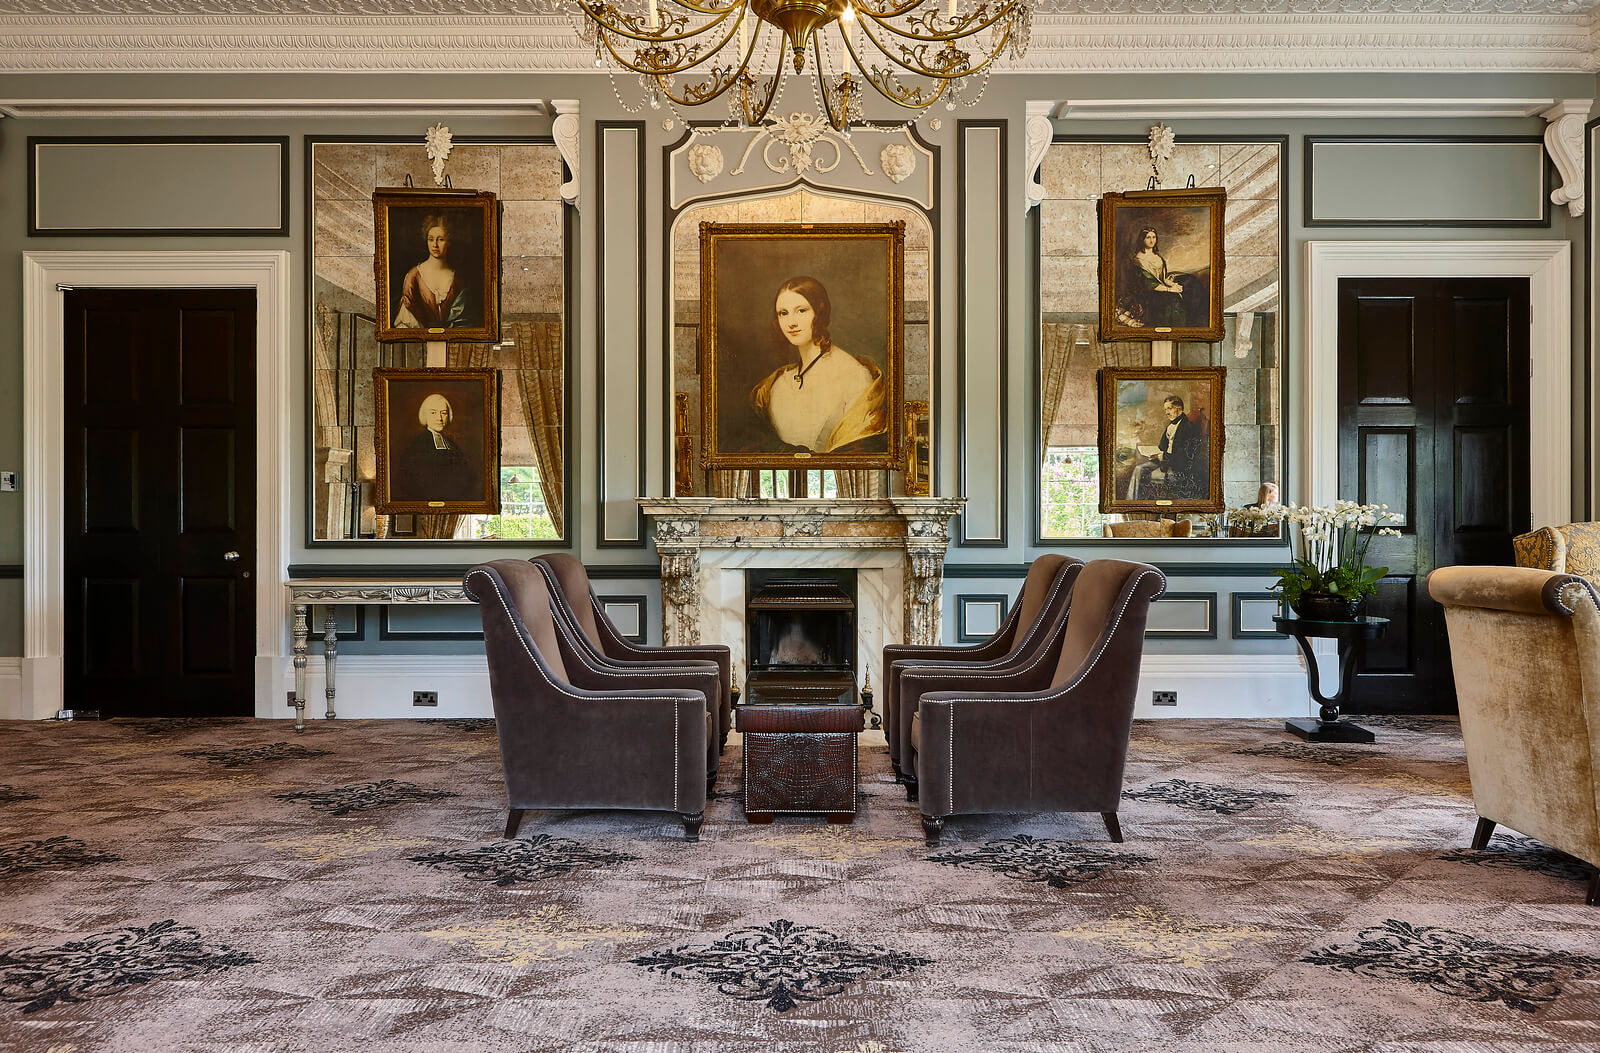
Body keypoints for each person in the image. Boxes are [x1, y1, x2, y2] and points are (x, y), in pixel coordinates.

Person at [749, 276, 888, 453]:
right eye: (783, 313)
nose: (791, 322)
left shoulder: (854, 376)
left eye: (801, 311)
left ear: (820, 312)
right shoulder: (776, 383)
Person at [391, 393, 478, 502]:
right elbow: (410, 478)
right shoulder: (418, 443)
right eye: (433, 413)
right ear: (425, 416)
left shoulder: (451, 443)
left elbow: (468, 473)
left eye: (444, 413)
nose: (439, 418)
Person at [393, 213, 472, 330]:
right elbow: (406, 324)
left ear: (448, 242)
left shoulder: (458, 279)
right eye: (431, 239)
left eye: (440, 239)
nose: (435, 245)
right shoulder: (413, 276)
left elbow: (464, 323)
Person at [1124, 226, 1200, 329]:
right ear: (1142, 239)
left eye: (1154, 237)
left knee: (1190, 285)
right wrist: (1170, 290)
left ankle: (1193, 327)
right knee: (1172, 299)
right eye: (1148, 237)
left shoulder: (1157, 256)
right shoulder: (1139, 260)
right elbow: (1149, 284)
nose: (1152, 240)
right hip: (1149, 293)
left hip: (1161, 287)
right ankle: (1177, 329)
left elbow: (1163, 278)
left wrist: (1174, 285)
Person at [1128, 394, 1201, 500]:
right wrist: (1153, 453)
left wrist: (1165, 456)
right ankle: (1132, 502)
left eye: (1169, 409)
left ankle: (1139, 502)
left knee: (1149, 475)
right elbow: (1162, 446)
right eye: (1165, 409)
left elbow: (1185, 455)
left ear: (1179, 408)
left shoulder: (1188, 427)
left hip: (1176, 466)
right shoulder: (1170, 425)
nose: (1166, 412)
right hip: (1164, 460)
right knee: (1139, 469)